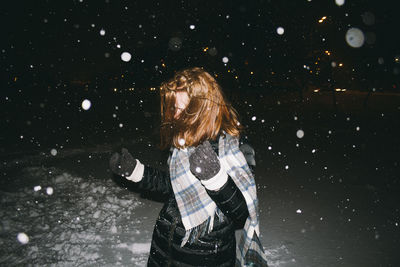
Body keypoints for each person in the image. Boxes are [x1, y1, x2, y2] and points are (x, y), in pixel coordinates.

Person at [109, 67, 268, 266]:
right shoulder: (184, 142)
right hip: (165, 247)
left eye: (186, 110)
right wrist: (136, 172)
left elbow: (241, 212)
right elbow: (172, 185)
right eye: (176, 109)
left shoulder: (232, 148)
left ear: (205, 108)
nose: (177, 117)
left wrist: (216, 179)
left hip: (206, 254)